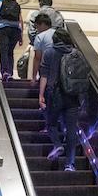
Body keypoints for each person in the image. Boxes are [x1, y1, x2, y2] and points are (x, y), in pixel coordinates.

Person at [38, 27, 81, 172]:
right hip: (73, 95)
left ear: (55, 40)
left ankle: (57, 145)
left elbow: (44, 75)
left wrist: (41, 95)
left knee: (51, 123)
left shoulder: (49, 52)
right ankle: (70, 164)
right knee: (71, 130)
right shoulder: (76, 54)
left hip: (54, 93)